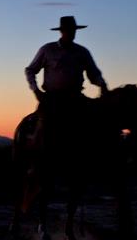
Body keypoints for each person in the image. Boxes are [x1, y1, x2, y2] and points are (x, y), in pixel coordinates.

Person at [24, 15, 109, 170]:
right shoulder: (47, 50)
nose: (72, 33)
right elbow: (30, 70)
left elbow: (93, 74)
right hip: (52, 98)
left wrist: (101, 83)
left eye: (73, 30)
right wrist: (35, 90)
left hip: (75, 97)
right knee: (43, 126)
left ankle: (97, 162)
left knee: (97, 122)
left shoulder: (83, 52)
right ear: (62, 31)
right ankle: (36, 161)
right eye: (69, 30)